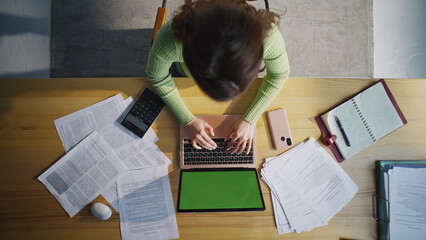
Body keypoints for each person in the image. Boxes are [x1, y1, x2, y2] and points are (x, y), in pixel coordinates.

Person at [146, 0, 290, 154]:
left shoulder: (268, 38)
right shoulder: (171, 40)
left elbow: (280, 74)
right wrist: (186, 119)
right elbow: (157, 77)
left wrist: (250, 118)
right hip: (182, 75)